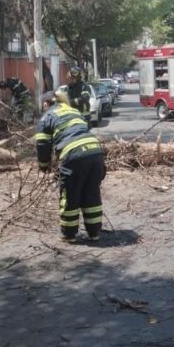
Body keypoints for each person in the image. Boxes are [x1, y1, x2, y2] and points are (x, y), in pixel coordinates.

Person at [35, 89, 105, 243]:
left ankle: (69, 235)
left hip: (74, 155)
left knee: (70, 195)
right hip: (96, 153)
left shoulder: (47, 116)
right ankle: (94, 233)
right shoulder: (73, 110)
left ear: (46, 103)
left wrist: (44, 166)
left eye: (42, 105)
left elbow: (42, 144)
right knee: (91, 193)